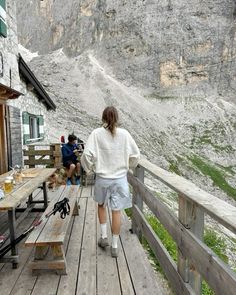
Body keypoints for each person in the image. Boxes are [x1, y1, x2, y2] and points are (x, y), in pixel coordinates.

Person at [81, 106, 140, 258]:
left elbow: (86, 155)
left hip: (102, 178)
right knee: (117, 211)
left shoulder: (96, 133)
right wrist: (129, 166)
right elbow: (135, 155)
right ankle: (114, 246)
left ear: (103, 118)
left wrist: (90, 169)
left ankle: (104, 237)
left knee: (101, 205)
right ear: (117, 118)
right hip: (120, 179)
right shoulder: (125, 134)